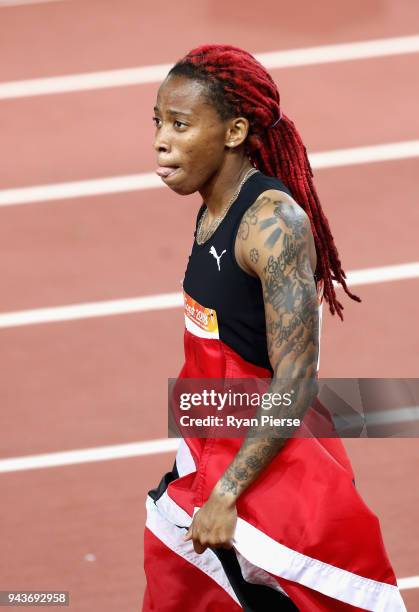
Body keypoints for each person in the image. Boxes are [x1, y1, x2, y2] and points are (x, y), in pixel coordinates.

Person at [142, 44, 405, 611]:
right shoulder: (213, 203)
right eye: (158, 122)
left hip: (271, 468)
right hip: (215, 440)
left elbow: (294, 381)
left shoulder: (272, 225)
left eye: (181, 125)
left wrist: (227, 493)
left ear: (234, 131)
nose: (162, 140)